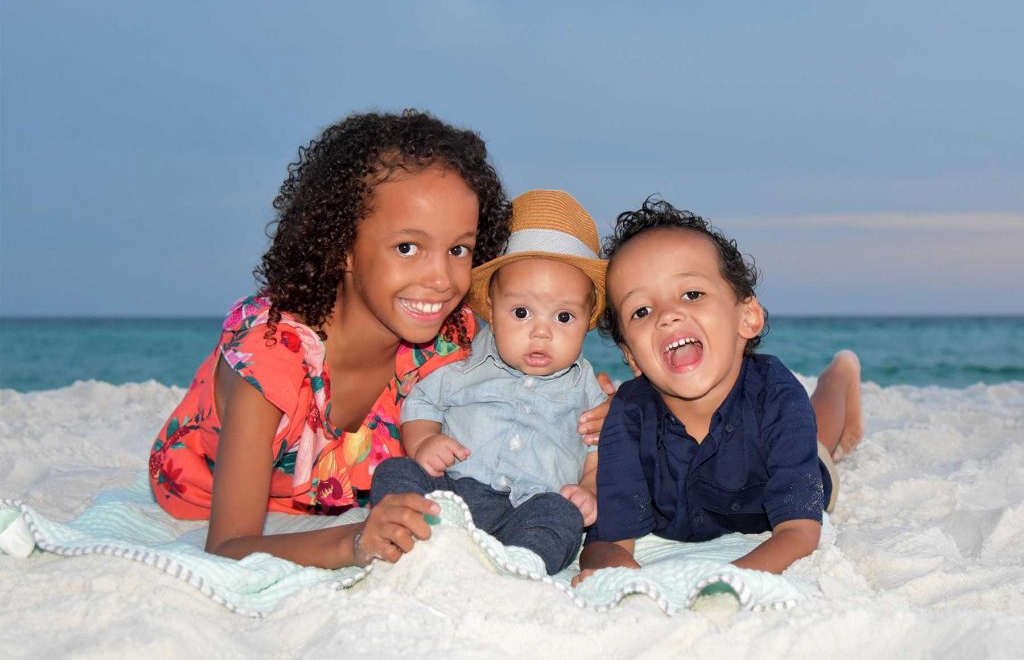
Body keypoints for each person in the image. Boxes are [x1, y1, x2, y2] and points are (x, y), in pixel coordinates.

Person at [148, 111, 612, 570]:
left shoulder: (448, 339)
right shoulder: (267, 365)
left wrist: (599, 408)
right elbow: (228, 546)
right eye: (407, 247)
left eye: (458, 249)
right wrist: (354, 542)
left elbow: (532, 360)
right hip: (200, 490)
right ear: (342, 245)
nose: (440, 279)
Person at [574, 198, 863, 584]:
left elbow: (799, 534)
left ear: (748, 317)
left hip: (794, 464)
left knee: (821, 441)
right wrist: (619, 571)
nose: (668, 314)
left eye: (691, 294)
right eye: (641, 311)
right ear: (632, 357)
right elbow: (607, 542)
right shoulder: (629, 415)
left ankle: (840, 373)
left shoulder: (776, 395)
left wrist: (719, 583)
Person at [370, 190, 608, 574]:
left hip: (528, 508)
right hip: (451, 500)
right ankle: (416, 546)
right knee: (396, 473)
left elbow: (598, 452)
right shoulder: (465, 367)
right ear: (493, 315)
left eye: (564, 318)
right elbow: (422, 402)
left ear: (587, 322)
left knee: (561, 515)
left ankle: (517, 567)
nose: (541, 332)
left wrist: (590, 491)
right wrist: (424, 442)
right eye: (521, 312)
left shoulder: (589, 391)